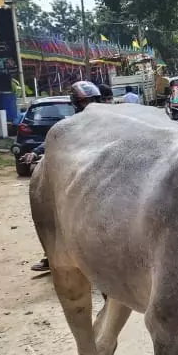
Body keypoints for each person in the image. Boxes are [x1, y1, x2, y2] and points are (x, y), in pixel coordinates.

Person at [27, 80, 103, 273]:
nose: (90, 105)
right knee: (51, 208)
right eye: (86, 102)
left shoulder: (106, 121)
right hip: (80, 173)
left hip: (99, 176)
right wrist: (36, 152)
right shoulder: (71, 125)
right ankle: (51, 254)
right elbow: (54, 141)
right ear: (77, 104)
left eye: (93, 101)